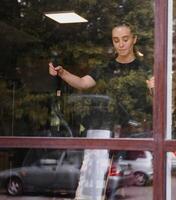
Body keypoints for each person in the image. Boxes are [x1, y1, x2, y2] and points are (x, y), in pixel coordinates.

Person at [49, 22, 154, 199]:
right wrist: (62, 73)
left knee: (124, 181)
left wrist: (153, 89)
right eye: (116, 40)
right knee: (94, 179)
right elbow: (83, 83)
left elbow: (156, 98)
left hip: (133, 132)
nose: (120, 44)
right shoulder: (106, 68)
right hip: (104, 129)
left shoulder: (145, 69)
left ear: (134, 39)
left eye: (125, 39)